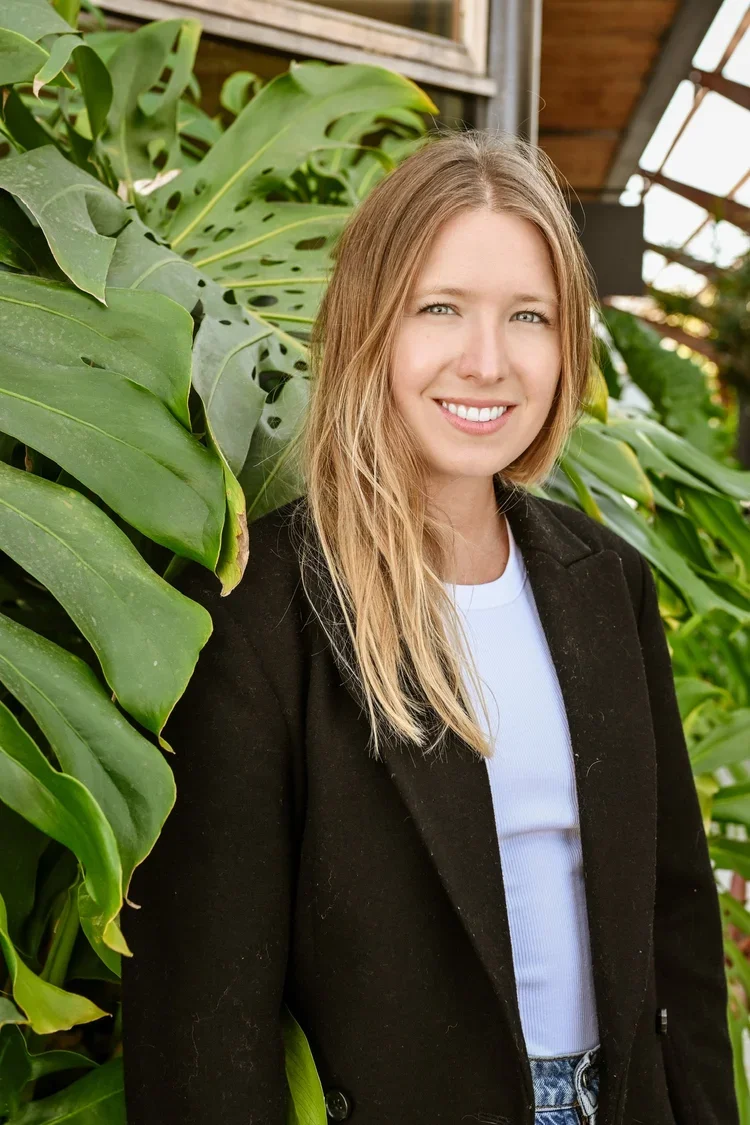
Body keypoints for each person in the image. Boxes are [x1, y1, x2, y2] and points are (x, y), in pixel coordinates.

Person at [120, 129, 738, 1125]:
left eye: (528, 316)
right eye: (440, 308)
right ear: (371, 324)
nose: (487, 361)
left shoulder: (601, 583)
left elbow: (675, 928)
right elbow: (204, 1024)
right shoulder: (263, 608)